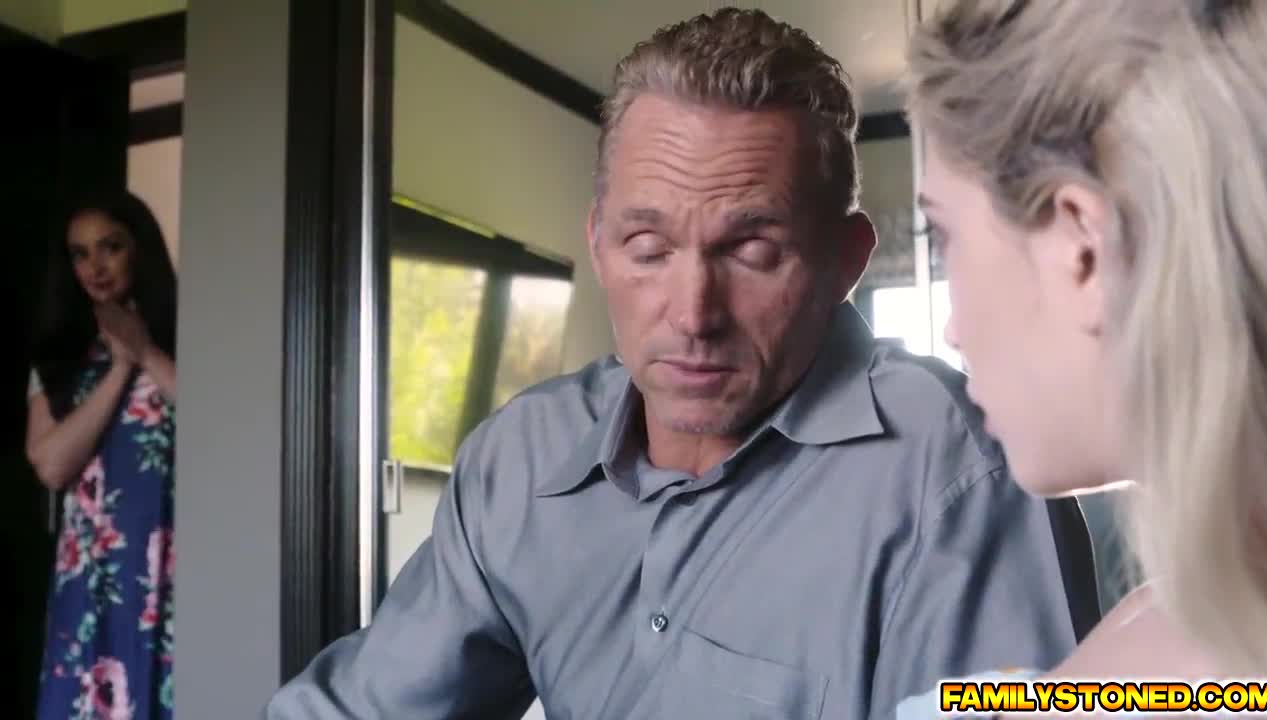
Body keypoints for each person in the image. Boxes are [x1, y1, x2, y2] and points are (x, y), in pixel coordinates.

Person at [267, 8, 1099, 719]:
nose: (694, 314)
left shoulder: (960, 472)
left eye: (751, 250)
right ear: (599, 245)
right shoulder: (519, 460)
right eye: (648, 248)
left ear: (845, 261)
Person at [896, 0, 1267, 716]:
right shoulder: (1174, 619)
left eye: (945, 237)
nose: (953, 330)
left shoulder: (1184, 667)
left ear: (1083, 248)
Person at [27, 191, 178, 719]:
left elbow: (219, 424)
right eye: (80, 253)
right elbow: (51, 465)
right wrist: (119, 370)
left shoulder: (184, 337)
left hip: (167, 558)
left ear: (138, 249)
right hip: (90, 569)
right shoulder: (59, 357)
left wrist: (145, 351)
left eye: (110, 247)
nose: (96, 266)